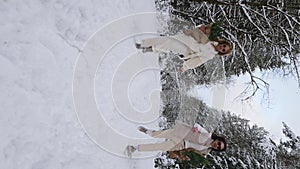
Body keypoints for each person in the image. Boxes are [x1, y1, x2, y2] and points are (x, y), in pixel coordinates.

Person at [126, 121, 226, 158]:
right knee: (159, 135)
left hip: (180, 145)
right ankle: (149, 132)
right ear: (218, 139)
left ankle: (135, 148)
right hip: (181, 133)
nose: (216, 145)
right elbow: (198, 126)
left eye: (218, 147)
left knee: (159, 147)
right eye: (219, 143)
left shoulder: (206, 151)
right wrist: (195, 128)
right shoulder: (208, 135)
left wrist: (183, 155)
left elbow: (193, 152)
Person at [136, 34, 232, 72]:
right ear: (222, 43)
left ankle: (143, 46)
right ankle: (147, 47)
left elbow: (198, 61)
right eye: (224, 46)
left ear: (221, 52)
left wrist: (185, 67)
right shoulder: (212, 39)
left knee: (166, 43)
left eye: (223, 50)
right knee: (166, 41)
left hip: (185, 49)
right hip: (185, 39)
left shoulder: (210, 54)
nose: (222, 48)